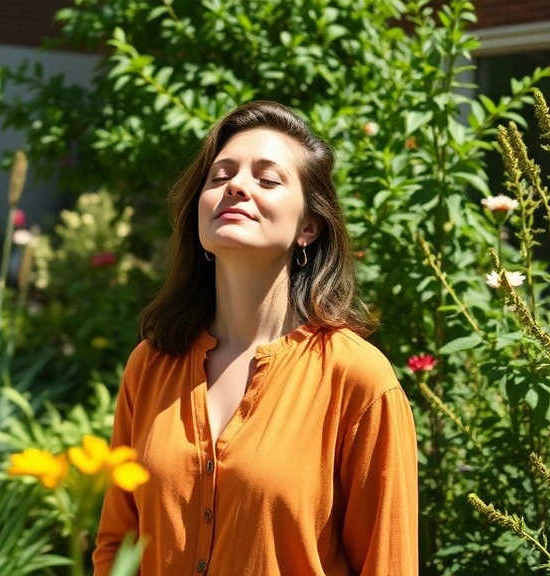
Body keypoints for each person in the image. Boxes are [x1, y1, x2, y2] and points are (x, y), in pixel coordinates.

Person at [93, 101, 418, 576]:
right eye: (220, 176)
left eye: (267, 180)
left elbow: (387, 565)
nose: (236, 187)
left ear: (308, 226)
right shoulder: (150, 365)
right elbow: (115, 549)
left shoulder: (358, 379)